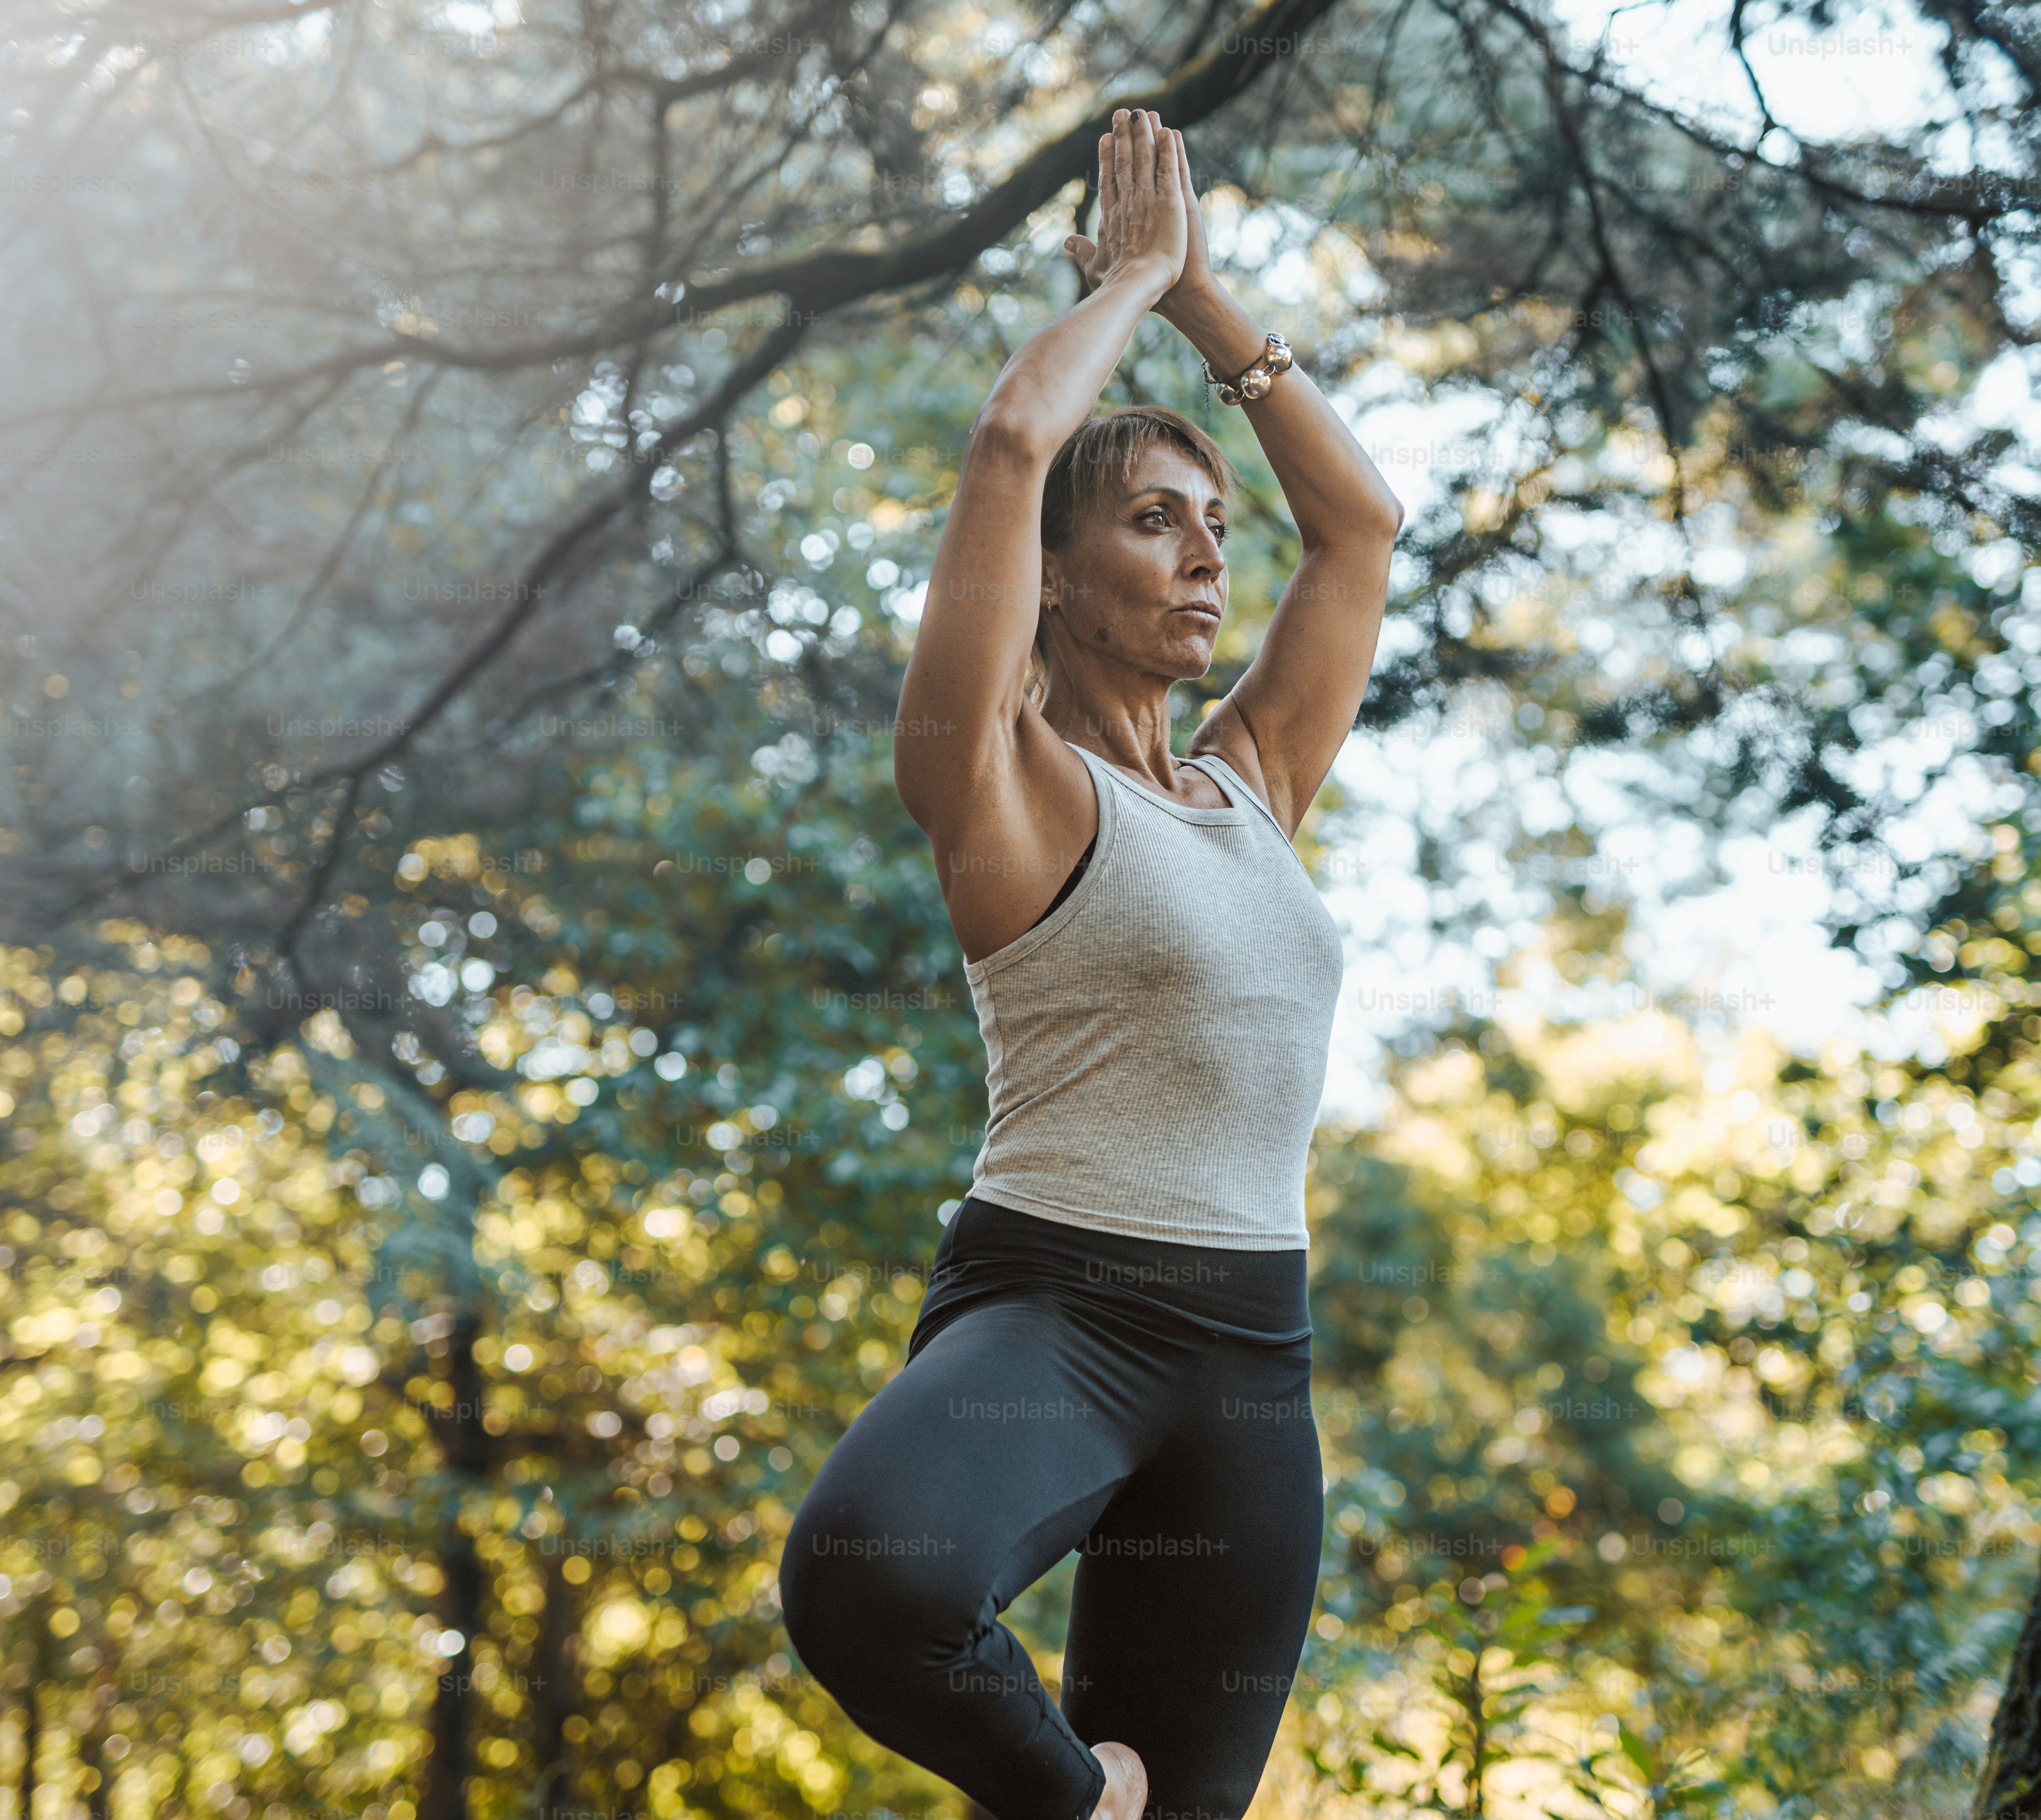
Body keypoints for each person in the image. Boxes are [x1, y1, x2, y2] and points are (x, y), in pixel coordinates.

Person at [778, 107, 1403, 1820]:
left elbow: (1360, 532)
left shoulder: (1251, 777)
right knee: (872, 1584)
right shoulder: (996, 780)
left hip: (1252, 1369)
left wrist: (1210, 307)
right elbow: (1002, 449)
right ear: (1052, 578)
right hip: (1060, 1314)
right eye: (1153, 519)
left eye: (1214, 520)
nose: (1212, 552)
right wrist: (1129, 278)